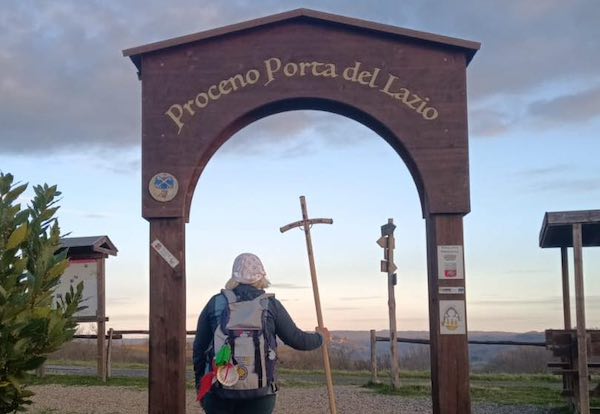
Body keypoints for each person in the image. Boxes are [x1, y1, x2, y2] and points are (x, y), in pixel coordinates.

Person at [193, 252, 328, 414]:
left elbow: (199, 350)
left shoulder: (215, 303)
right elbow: (297, 339)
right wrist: (321, 338)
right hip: (260, 394)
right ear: (261, 276)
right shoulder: (270, 305)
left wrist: (201, 388)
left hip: (218, 392)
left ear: (233, 276)